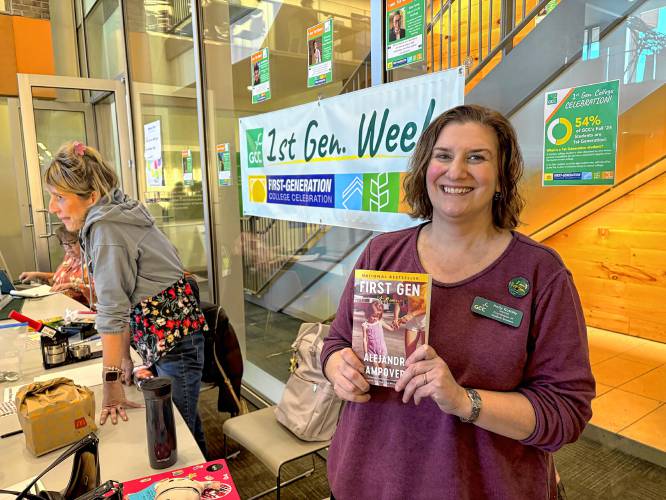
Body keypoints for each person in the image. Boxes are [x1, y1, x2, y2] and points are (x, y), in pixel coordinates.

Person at [321, 105, 595, 498]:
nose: (456, 171)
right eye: (444, 156)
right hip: (365, 484)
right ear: (425, 169)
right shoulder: (382, 254)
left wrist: (464, 401)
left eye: (477, 158)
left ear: (502, 177)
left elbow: (566, 412)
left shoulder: (540, 274)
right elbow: (335, 343)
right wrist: (337, 367)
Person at [44, 141, 208, 454]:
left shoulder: (107, 228)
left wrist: (111, 384)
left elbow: (112, 310)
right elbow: (126, 298)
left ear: (91, 196)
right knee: (183, 422)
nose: (54, 208)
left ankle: (201, 481)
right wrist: (124, 361)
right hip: (161, 339)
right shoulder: (114, 213)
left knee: (177, 432)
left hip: (175, 343)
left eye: (60, 197)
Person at [19, 226, 93, 307]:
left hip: (82, 308)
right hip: (60, 303)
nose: (68, 247)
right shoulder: (69, 257)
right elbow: (61, 278)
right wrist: (36, 274)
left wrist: (72, 285)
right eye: (64, 243)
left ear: (84, 242)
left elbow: (97, 289)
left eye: (72, 242)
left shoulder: (93, 261)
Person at [361, 299, 387, 386]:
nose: (376, 318)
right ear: (368, 314)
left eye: (378, 316)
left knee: (383, 367)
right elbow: (365, 339)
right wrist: (365, 352)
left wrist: (396, 323)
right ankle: (376, 383)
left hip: (381, 348)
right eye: (374, 316)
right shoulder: (365, 325)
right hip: (372, 350)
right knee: (376, 367)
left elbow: (391, 328)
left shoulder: (379, 322)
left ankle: (385, 383)